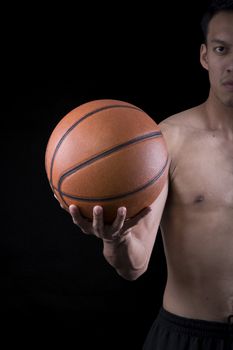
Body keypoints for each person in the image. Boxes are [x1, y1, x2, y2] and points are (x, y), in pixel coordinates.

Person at [57, 0, 233, 348]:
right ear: (204, 57)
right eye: (222, 49)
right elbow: (134, 265)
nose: (232, 64)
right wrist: (116, 239)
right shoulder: (169, 140)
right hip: (188, 337)